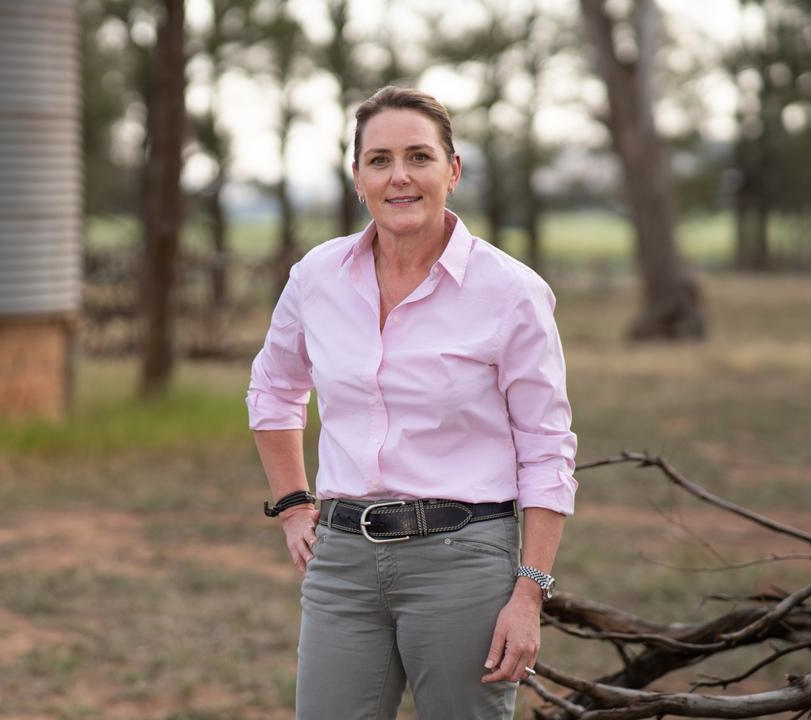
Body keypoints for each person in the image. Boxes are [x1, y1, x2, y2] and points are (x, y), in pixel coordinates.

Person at [247, 87, 578, 720]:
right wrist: (292, 504)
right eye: (379, 160)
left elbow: (546, 445)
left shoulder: (510, 293)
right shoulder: (315, 278)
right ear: (357, 177)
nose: (399, 176)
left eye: (419, 157)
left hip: (464, 560)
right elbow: (273, 389)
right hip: (341, 560)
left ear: (452, 171)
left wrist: (529, 592)